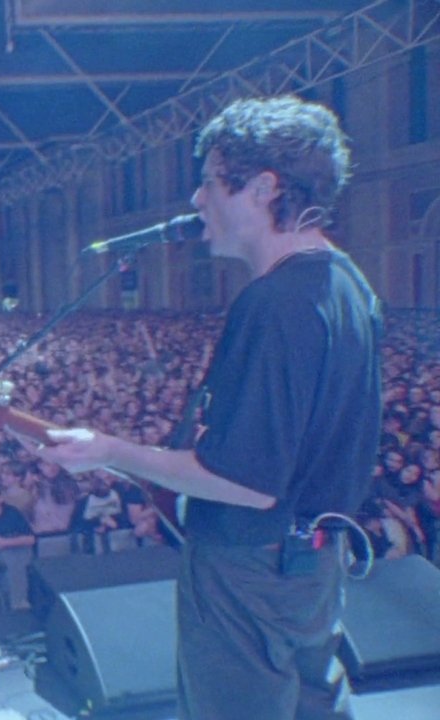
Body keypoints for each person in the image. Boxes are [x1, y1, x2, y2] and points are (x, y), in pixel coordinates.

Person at [35, 96, 381, 720]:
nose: (196, 200)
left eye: (209, 181)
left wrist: (111, 450)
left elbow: (245, 483)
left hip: (249, 571)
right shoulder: (348, 283)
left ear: (262, 188)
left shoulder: (273, 303)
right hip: (314, 565)